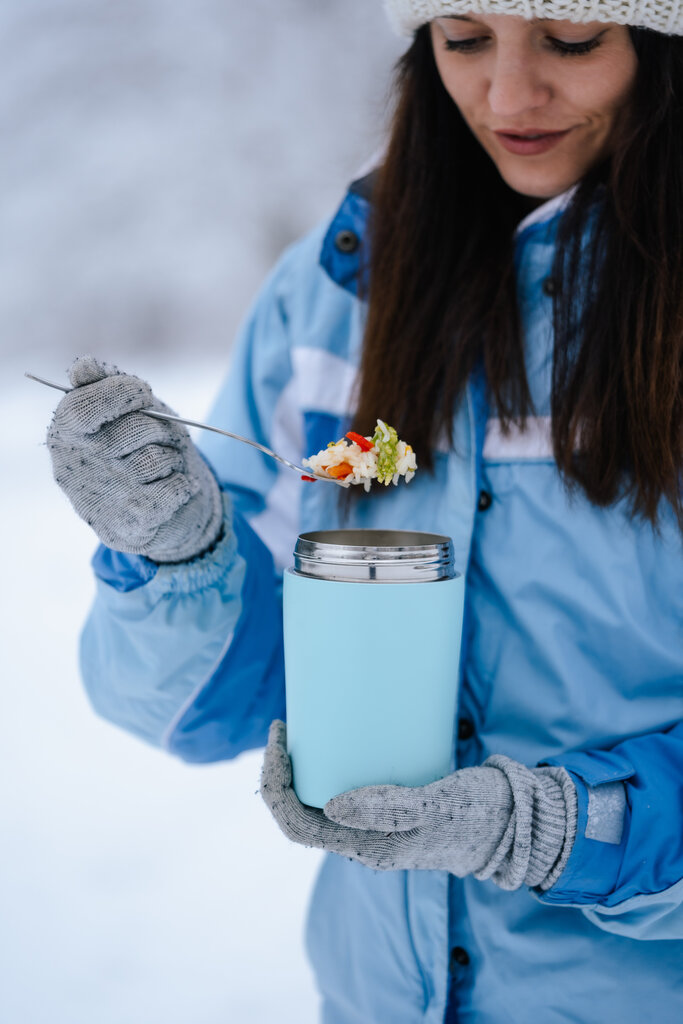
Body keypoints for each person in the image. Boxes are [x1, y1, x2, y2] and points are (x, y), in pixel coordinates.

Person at [45, 1, 683, 1021]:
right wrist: (179, 556)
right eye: (462, 39)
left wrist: (566, 826)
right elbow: (206, 709)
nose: (509, 95)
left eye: (570, 40)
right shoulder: (334, 294)